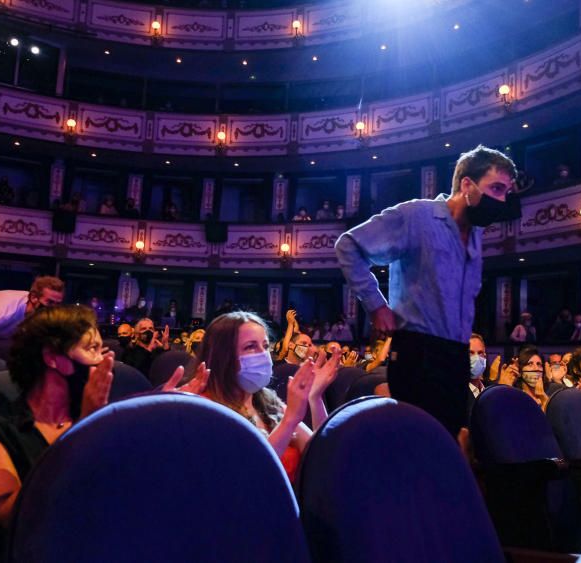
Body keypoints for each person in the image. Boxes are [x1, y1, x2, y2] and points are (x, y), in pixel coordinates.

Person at [0, 305, 208, 552]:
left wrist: (155, 415)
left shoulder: (100, 419)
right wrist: (84, 428)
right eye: (92, 349)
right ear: (52, 357)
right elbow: (13, 520)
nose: (105, 359)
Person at [336, 145, 518, 436]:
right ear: (467, 184)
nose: (501, 199)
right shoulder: (417, 216)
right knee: (417, 444)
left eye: (506, 192)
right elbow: (348, 245)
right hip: (418, 352)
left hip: (455, 355)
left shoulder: (476, 234)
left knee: (448, 442)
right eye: (495, 188)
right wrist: (376, 305)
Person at [196, 311, 338, 482]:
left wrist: (315, 398)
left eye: (265, 346)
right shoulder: (205, 408)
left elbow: (320, 454)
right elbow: (250, 474)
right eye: (251, 347)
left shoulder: (268, 401)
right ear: (223, 356)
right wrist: (290, 420)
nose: (263, 355)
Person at [0, 276, 65, 349]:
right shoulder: (6, 312)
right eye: (50, 302)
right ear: (33, 298)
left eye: (57, 303)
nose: (54, 308)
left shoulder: (39, 315)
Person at [468, 333, 486, 398]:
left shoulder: (489, 390)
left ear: (485, 357)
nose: (476, 358)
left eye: (480, 353)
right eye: (471, 353)